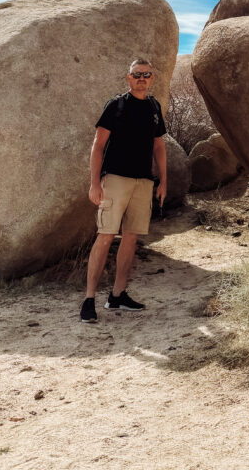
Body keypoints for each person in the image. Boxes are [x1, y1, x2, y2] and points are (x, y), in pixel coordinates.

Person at [80, 57, 167, 323]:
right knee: (105, 237)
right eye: (137, 74)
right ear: (128, 78)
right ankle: (89, 299)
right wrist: (95, 183)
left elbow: (159, 147)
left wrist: (164, 181)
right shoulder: (116, 106)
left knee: (130, 238)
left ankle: (117, 295)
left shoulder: (154, 106)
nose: (141, 79)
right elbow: (97, 145)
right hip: (116, 179)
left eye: (146, 75)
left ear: (152, 79)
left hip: (143, 182)